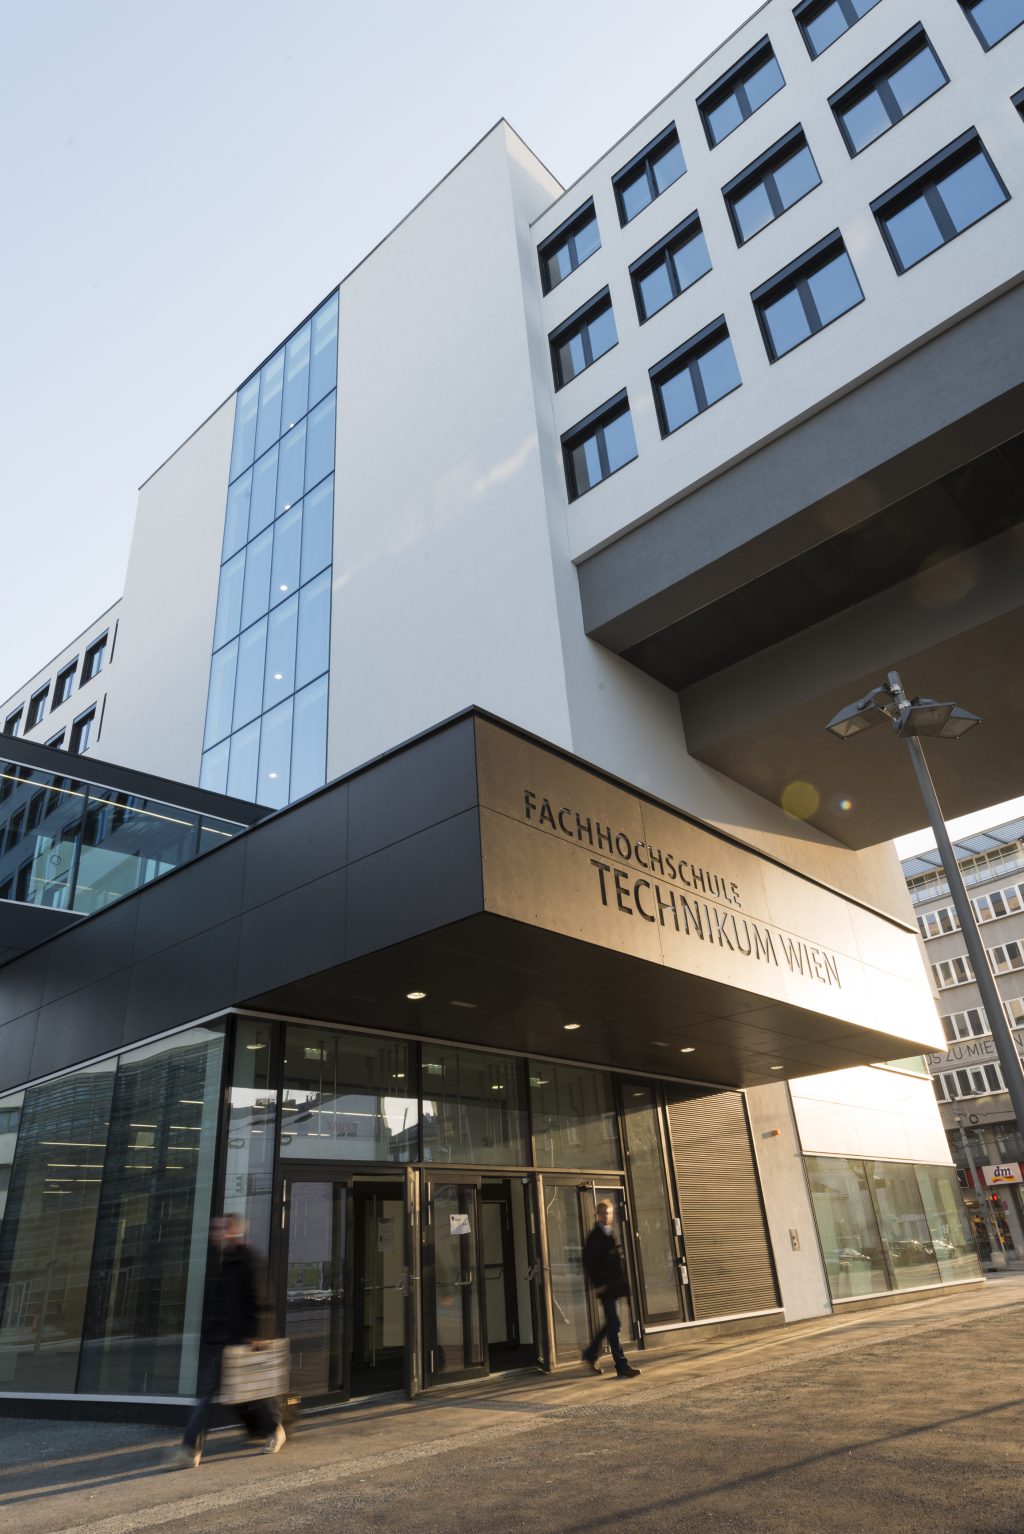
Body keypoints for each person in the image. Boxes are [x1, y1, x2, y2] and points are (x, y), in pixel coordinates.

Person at [167, 1213, 286, 1468]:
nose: (215, 1234)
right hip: (217, 1341)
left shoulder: (249, 1258)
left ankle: (275, 1429)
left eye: (219, 1229)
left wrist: (259, 1333)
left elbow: (263, 1297)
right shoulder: (223, 1261)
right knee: (205, 1396)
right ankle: (190, 1449)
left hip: (241, 1340)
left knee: (251, 1394)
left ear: (232, 1231)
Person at [581, 1199, 641, 1379]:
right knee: (614, 1325)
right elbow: (589, 1263)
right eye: (604, 1213)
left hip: (614, 1287)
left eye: (609, 1213)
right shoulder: (595, 1237)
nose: (607, 1216)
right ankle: (621, 1365)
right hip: (606, 1288)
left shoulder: (609, 1234)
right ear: (597, 1215)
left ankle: (591, 1353)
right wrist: (598, 1285)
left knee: (611, 1324)